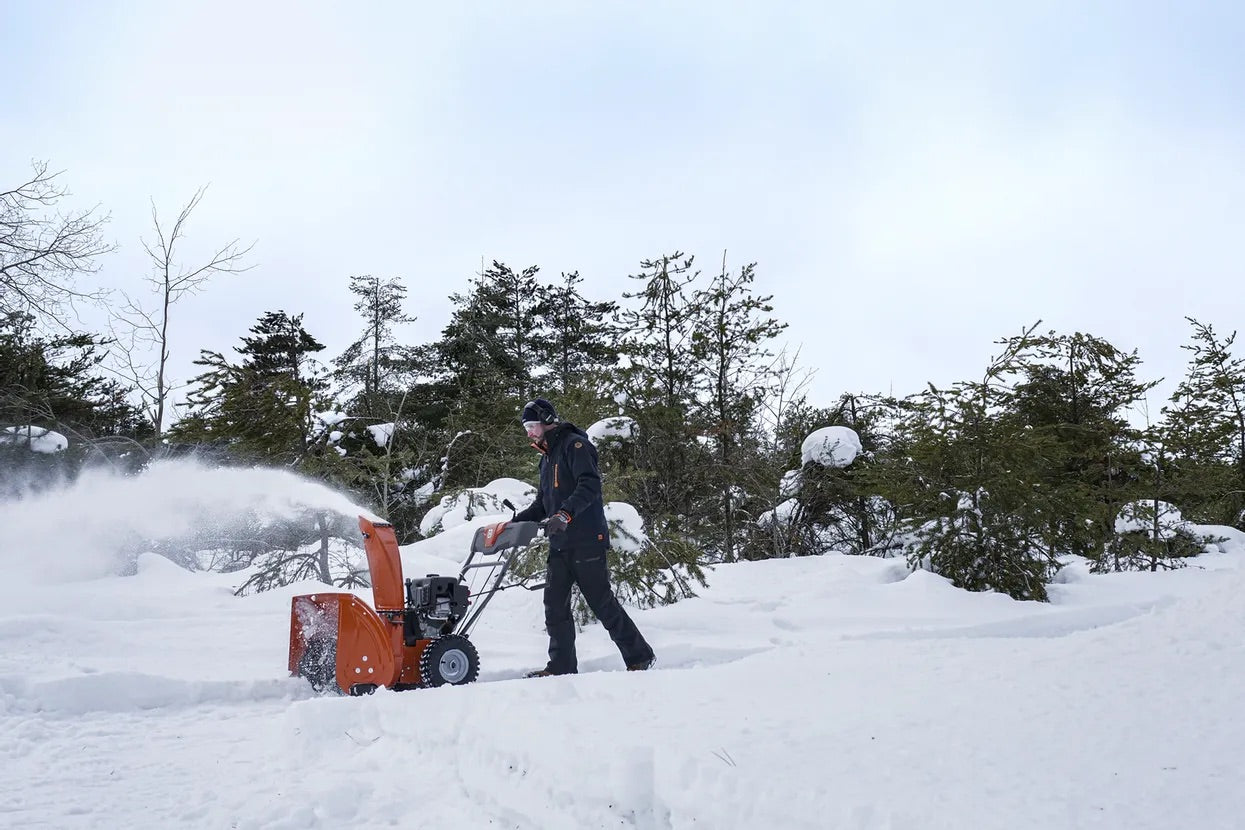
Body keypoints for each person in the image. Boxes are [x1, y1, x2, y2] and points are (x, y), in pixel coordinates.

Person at [512, 398, 656, 677]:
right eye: (526, 427)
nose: (529, 432)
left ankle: (640, 656)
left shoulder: (575, 446)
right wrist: (515, 523)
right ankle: (562, 666)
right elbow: (543, 503)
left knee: (602, 602)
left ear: (547, 419)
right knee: (554, 606)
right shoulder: (547, 457)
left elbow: (589, 485)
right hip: (561, 543)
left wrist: (565, 514)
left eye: (532, 425)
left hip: (587, 538)